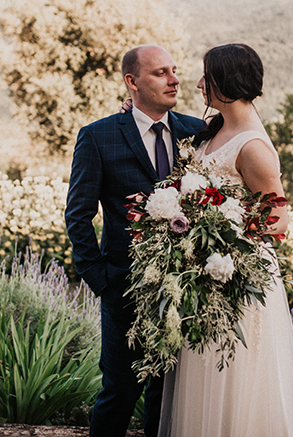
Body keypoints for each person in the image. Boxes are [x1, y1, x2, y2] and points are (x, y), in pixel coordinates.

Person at [158, 43, 293, 437]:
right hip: (205, 277)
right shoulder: (211, 130)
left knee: (237, 380)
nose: (197, 84)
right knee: (203, 375)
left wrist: (220, 240)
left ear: (226, 82)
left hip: (235, 280)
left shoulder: (254, 147)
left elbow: (277, 222)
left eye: (206, 77)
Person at [65, 45, 205, 437]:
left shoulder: (196, 132)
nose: (174, 79)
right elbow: (78, 213)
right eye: (161, 73)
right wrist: (100, 279)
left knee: (171, 396)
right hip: (124, 287)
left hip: (189, 291)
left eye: (174, 71)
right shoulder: (98, 137)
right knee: (120, 391)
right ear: (132, 82)